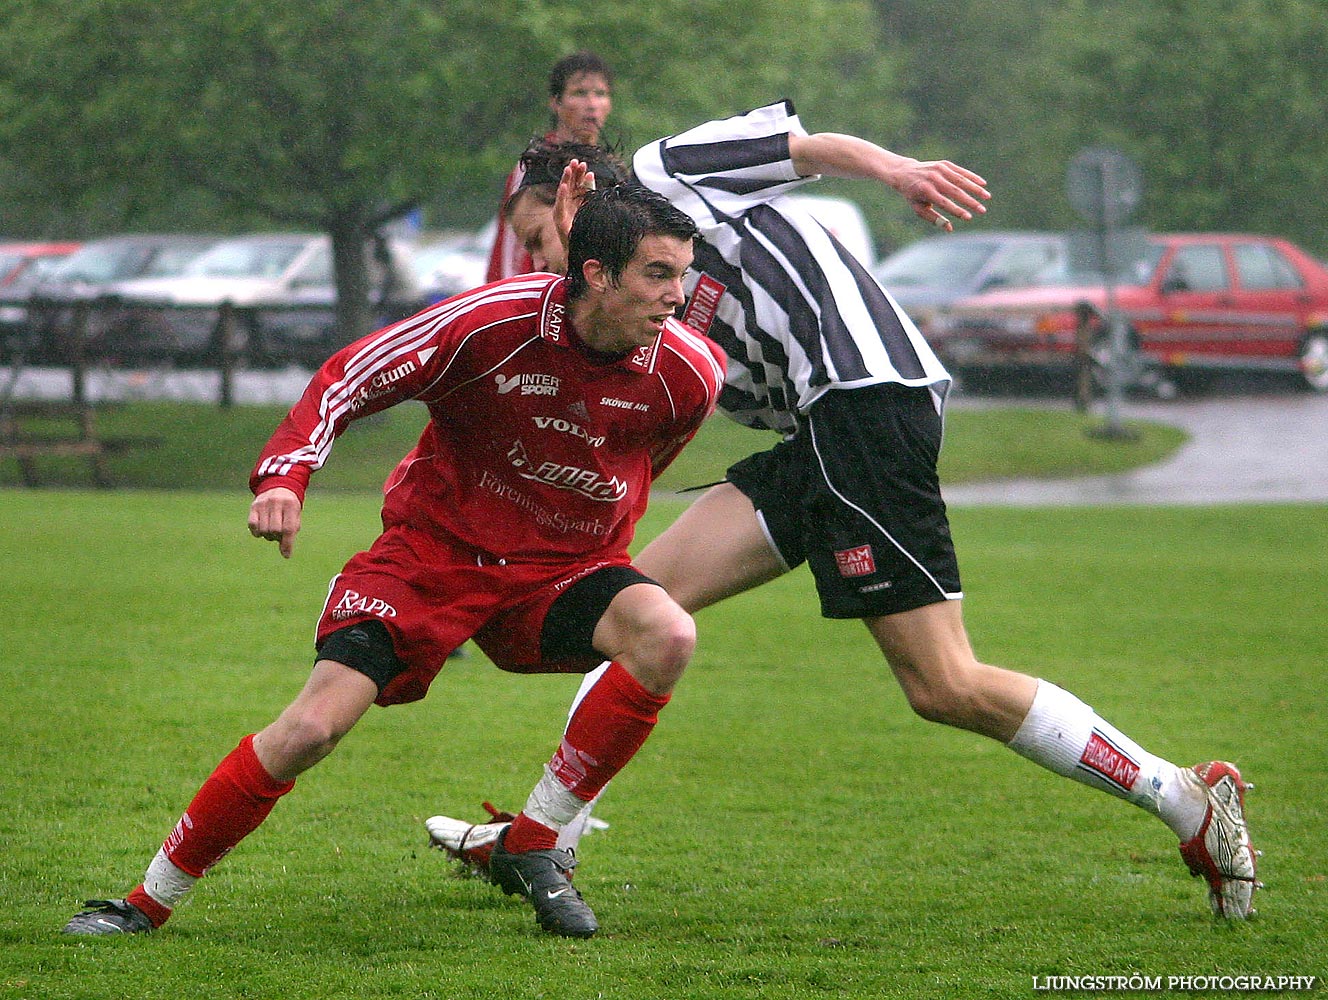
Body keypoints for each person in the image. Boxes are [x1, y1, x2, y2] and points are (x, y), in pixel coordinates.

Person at [426, 102, 1260, 921]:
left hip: (867, 404)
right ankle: (542, 837)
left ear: (573, 200)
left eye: (538, 238)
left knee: (944, 683)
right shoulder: (624, 305)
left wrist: (897, 171)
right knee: (636, 604)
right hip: (820, 436)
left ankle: (1186, 800)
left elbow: (799, 145)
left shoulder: (661, 175)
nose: (537, 261)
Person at [62, 184, 727, 940]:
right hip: (431, 559)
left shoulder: (689, 375)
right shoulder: (490, 325)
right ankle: (143, 903)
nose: (678, 296)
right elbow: (350, 375)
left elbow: (643, 462)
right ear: (599, 274)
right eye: (659, 274)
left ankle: (534, 840)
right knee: (310, 729)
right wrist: (286, 473)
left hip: (558, 571)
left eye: (683, 275)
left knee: (667, 634)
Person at [485, 51, 614, 283]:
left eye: (600, 94)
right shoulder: (534, 168)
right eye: (580, 93)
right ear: (556, 102)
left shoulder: (613, 170)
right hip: (536, 294)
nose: (592, 105)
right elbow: (511, 250)